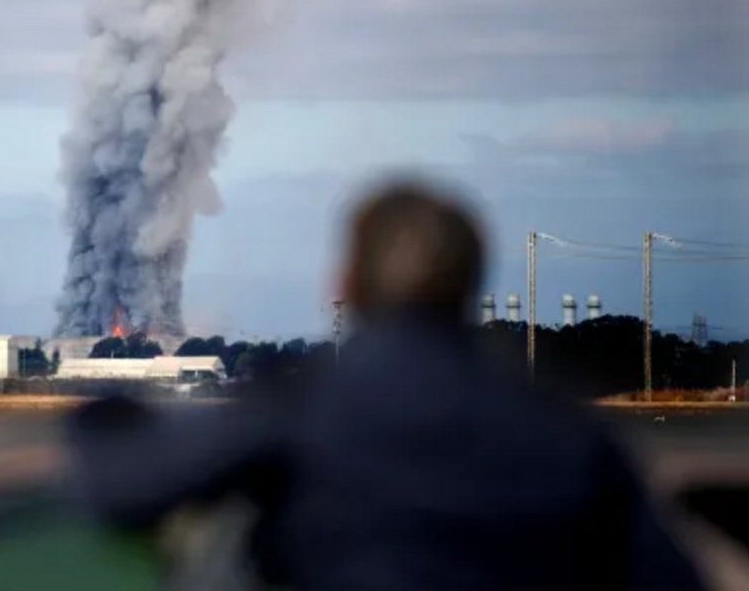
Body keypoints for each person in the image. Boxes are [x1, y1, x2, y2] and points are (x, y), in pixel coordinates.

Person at [65, 181, 707, 591]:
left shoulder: (307, 404)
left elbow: (125, 487)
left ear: (343, 283)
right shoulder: (569, 433)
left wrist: (105, 407)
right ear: (470, 285)